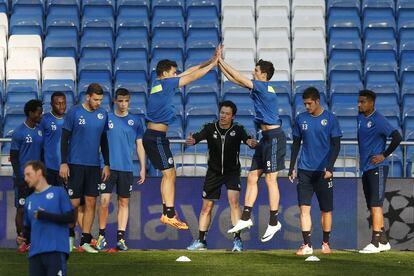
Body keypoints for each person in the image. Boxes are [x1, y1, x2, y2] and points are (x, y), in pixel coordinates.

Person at [143, 46, 221, 230]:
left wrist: (209, 61)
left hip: (155, 136)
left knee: (168, 174)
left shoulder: (160, 83)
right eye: (173, 72)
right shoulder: (166, 83)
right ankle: (169, 213)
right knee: (170, 173)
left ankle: (167, 213)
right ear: (164, 73)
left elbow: (187, 72)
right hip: (155, 137)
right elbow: (192, 77)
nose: (176, 74)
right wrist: (213, 66)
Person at [220, 56, 286, 242]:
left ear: (263, 75)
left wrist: (222, 61)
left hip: (274, 138)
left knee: (270, 180)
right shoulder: (260, 87)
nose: (253, 73)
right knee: (252, 176)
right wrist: (219, 64)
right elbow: (234, 80)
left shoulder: (264, 87)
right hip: (265, 138)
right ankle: (246, 217)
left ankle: (274, 221)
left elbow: (239, 78)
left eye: (255, 71)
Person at [186, 101, 256, 252]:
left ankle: (237, 241)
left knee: (234, 203)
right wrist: (192, 140)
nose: (223, 116)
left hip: (232, 173)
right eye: (222, 112)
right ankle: (201, 240)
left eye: (227, 114)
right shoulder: (210, 127)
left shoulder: (238, 129)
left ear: (233, 116)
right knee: (206, 207)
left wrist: (251, 142)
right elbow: (197, 137)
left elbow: (247, 139)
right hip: (213, 172)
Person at [288, 87, 342, 255]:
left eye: (309, 103)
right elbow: (296, 144)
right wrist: (292, 167)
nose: (307, 107)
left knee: (326, 210)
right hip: (304, 170)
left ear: (318, 101)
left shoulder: (330, 119)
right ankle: (307, 244)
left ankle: (325, 243)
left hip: (323, 172)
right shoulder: (300, 119)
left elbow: (336, 145)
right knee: (304, 208)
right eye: (304, 104)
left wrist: (330, 167)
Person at [60, 83, 110, 253]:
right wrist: (63, 162)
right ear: (87, 97)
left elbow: (104, 141)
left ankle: (85, 241)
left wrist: (107, 164)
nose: (98, 103)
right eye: (96, 99)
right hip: (75, 164)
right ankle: (68, 237)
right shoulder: (74, 112)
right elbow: (64, 139)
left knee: (91, 202)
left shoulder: (103, 114)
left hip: (94, 165)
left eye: (101, 100)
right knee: (73, 203)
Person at [96, 88, 146, 251]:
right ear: (115, 101)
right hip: (108, 167)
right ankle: (101, 237)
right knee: (104, 202)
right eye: (121, 101)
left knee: (124, 202)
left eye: (126, 101)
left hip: (126, 168)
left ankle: (120, 239)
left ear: (129, 101)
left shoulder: (136, 121)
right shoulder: (106, 118)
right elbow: (98, 141)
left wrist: (143, 167)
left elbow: (140, 145)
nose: (123, 104)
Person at [357, 90, 402, 254]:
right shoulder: (360, 117)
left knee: (376, 205)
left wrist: (384, 155)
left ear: (371, 103)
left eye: (362, 102)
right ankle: (383, 240)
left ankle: (375, 242)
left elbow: (397, 137)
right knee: (372, 205)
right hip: (365, 168)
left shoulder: (379, 120)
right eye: (359, 101)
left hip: (377, 168)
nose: (359, 105)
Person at [23, 160, 74, 276]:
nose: (25, 178)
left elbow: (71, 218)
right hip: (34, 254)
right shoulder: (29, 200)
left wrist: (45, 216)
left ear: (39, 172)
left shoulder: (59, 192)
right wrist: (22, 238)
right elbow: (28, 229)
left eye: (28, 174)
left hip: (55, 250)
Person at [10, 99, 44, 252]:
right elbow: (14, 157)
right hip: (23, 178)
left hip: (37, 179)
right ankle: (21, 239)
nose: (40, 115)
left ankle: (32, 240)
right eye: (38, 112)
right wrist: (19, 177)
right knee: (21, 209)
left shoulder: (39, 131)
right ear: (30, 113)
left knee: (36, 209)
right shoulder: (19, 132)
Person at [40, 92, 66, 187]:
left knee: (66, 200)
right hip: (49, 168)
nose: (61, 106)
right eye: (58, 103)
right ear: (51, 105)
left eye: (63, 103)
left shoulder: (69, 119)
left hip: (67, 168)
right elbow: (39, 143)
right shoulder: (44, 120)